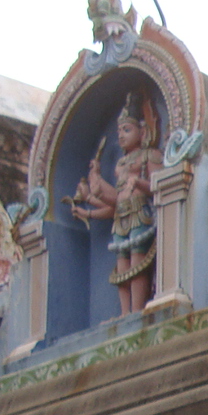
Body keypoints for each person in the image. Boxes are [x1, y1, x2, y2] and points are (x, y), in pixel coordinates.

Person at [68, 89, 160, 315]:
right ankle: (125, 313)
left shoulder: (150, 156)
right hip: (122, 217)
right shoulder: (120, 165)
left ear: (143, 131)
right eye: (119, 131)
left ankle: (138, 309)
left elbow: (159, 187)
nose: (121, 136)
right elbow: (116, 200)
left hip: (140, 214)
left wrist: (138, 182)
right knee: (122, 264)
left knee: (137, 261)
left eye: (127, 130)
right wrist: (94, 187)